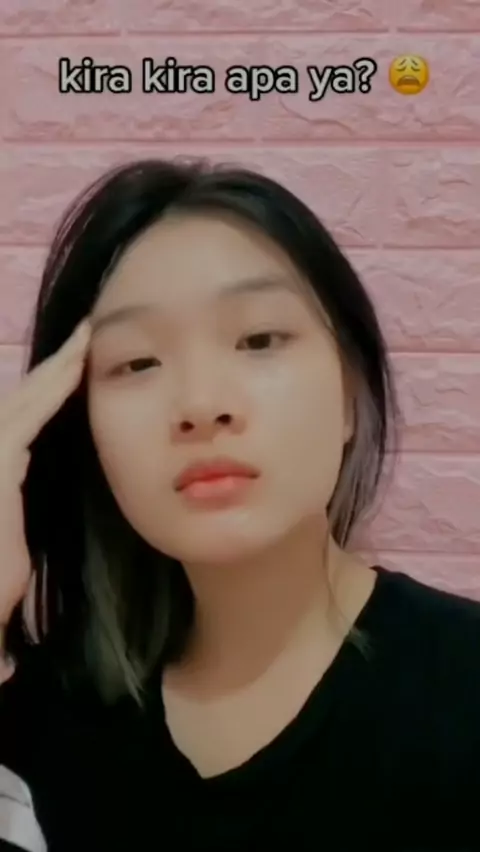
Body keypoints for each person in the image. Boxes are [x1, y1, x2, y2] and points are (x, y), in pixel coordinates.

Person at [0, 157, 479, 852]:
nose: (201, 405)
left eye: (258, 340)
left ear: (351, 395)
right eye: (138, 362)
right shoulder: (44, 727)